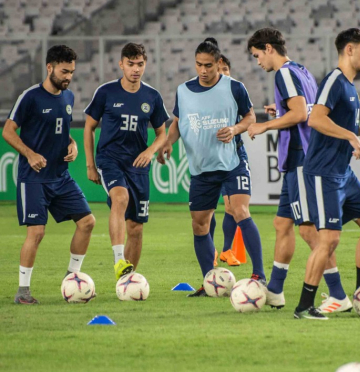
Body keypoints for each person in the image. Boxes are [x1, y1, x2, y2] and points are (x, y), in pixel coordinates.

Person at [246, 28, 351, 311]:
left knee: (307, 230)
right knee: (282, 224)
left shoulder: (283, 74)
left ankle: (338, 293)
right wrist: (279, 112)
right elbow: (309, 110)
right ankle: (276, 290)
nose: (258, 62)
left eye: (257, 56)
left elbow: (299, 113)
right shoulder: (301, 69)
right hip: (296, 159)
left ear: (268, 48)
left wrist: (264, 125)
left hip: (302, 157)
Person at [157, 38, 264, 297]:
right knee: (200, 226)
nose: (203, 70)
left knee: (239, 210)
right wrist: (168, 143)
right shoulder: (183, 90)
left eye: (208, 65)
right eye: (198, 65)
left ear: (219, 64)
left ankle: (259, 275)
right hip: (201, 170)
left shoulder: (234, 87)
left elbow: (250, 116)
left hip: (231, 163)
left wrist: (235, 129)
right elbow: (177, 123)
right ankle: (208, 282)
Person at [293, 28, 360, 320]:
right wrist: (351, 138)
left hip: (343, 172)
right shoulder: (334, 80)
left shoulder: (349, 86)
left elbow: (335, 120)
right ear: (349, 50)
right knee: (329, 240)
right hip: (323, 173)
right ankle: (304, 307)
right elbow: (316, 119)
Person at [3, 45, 95, 304]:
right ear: (50, 67)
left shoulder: (69, 98)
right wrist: (29, 154)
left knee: (87, 222)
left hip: (61, 176)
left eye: (72, 72)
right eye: (64, 71)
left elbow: (62, 131)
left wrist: (73, 144)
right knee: (37, 233)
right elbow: (8, 132)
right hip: (33, 178)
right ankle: (22, 292)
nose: (68, 77)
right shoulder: (29, 97)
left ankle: (72, 280)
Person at [83, 43, 169, 280]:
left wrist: (151, 151)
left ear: (145, 65)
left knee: (136, 229)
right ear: (121, 64)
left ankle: (126, 281)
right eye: (130, 64)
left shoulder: (152, 96)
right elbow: (89, 128)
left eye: (140, 64)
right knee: (120, 197)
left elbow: (162, 133)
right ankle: (119, 260)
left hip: (139, 166)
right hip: (110, 160)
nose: (135, 69)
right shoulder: (105, 92)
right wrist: (90, 165)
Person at [211, 53, 243, 268]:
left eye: (226, 71)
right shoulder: (205, 97)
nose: (223, 75)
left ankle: (226, 250)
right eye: (219, 71)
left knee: (232, 208)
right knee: (208, 209)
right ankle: (213, 250)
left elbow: (247, 117)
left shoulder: (236, 92)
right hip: (212, 157)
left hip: (233, 155)